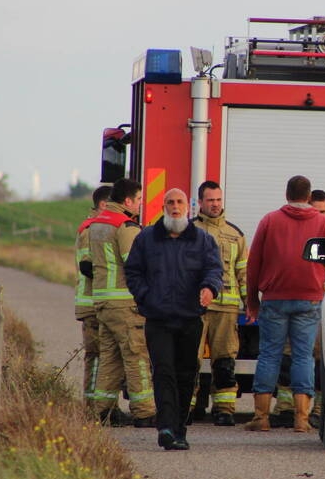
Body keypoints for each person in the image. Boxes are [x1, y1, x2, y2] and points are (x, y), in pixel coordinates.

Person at [125, 188, 222, 450]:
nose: (175, 206)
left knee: (186, 375)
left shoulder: (202, 239)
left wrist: (209, 288)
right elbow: (132, 271)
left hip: (190, 318)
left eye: (179, 202)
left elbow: (214, 269)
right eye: (170, 202)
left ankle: (180, 429)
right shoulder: (147, 238)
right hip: (159, 319)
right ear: (164, 206)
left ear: (188, 208)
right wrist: (147, 297)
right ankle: (166, 428)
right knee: (163, 371)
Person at [245, 175, 325, 432]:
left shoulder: (270, 220)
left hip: (275, 299)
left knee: (269, 355)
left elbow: (254, 262)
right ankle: (301, 419)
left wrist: (252, 300)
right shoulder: (324, 223)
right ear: (309, 197)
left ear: (286, 194)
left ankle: (261, 417)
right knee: (303, 357)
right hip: (309, 299)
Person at [87, 177, 157, 427]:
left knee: (109, 358)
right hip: (125, 303)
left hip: (103, 303)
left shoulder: (96, 224)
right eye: (138, 199)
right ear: (127, 201)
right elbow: (135, 264)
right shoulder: (125, 226)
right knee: (136, 356)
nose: (140, 204)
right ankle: (144, 412)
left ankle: (101, 410)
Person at [191, 180, 248, 426]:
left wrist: (249, 302)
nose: (215, 205)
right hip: (195, 307)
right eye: (210, 200)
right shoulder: (188, 231)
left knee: (225, 360)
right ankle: (187, 407)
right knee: (189, 359)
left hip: (227, 308)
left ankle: (224, 409)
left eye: (218, 200)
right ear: (200, 202)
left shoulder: (235, 235)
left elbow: (243, 272)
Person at [75, 185, 132, 423]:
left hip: (100, 301)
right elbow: (88, 266)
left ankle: (106, 406)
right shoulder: (91, 231)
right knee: (98, 357)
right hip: (94, 304)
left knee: (107, 357)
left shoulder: (97, 229)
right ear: (102, 205)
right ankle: (93, 407)